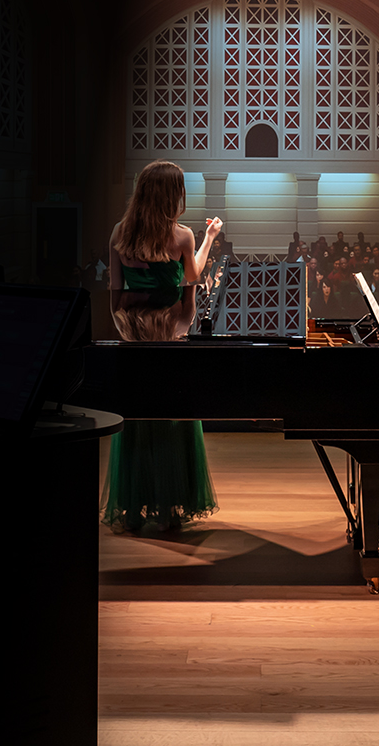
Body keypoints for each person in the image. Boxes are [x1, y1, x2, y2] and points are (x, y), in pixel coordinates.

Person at [103, 159, 222, 534]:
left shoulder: (120, 233)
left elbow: (115, 297)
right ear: (174, 195)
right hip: (169, 338)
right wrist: (210, 238)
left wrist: (129, 332)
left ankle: (133, 510)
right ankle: (171, 509)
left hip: (135, 340)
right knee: (174, 421)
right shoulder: (182, 236)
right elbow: (192, 284)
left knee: (137, 423)